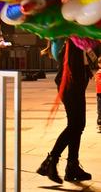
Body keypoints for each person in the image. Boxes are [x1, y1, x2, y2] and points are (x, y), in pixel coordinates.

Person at [37, 38, 92, 184]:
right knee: (75, 125)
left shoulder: (75, 37)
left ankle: (72, 166)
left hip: (76, 83)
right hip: (70, 85)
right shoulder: (68, 38)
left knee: (78, 126)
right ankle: (50, 162)